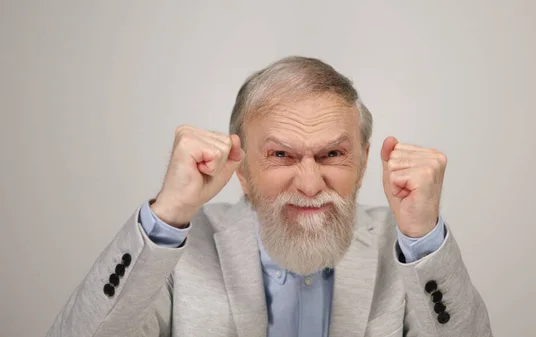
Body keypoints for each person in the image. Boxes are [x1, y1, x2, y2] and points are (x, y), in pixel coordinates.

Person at [46, 56, 492, 337]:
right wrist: (170, 211)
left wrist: (423, 234)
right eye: (280, 154)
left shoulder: (407, 249)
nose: (310, 184)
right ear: (240, 167)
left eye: (333, 154)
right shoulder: (177, 249)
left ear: (361, 161)